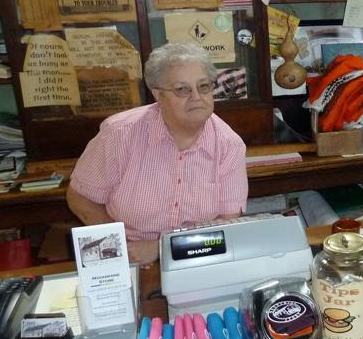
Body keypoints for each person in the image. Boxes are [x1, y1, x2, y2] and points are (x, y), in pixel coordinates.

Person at [67, 43, 248, 265]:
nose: (196, 97)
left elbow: (226, 225)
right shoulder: (119, 134)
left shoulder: (229, 145)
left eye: (204, 86)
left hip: (198, 256)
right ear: (158, 95)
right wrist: (120, 247)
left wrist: (162, 248)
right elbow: (81, 197)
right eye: (182, 89)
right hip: (129, 254)